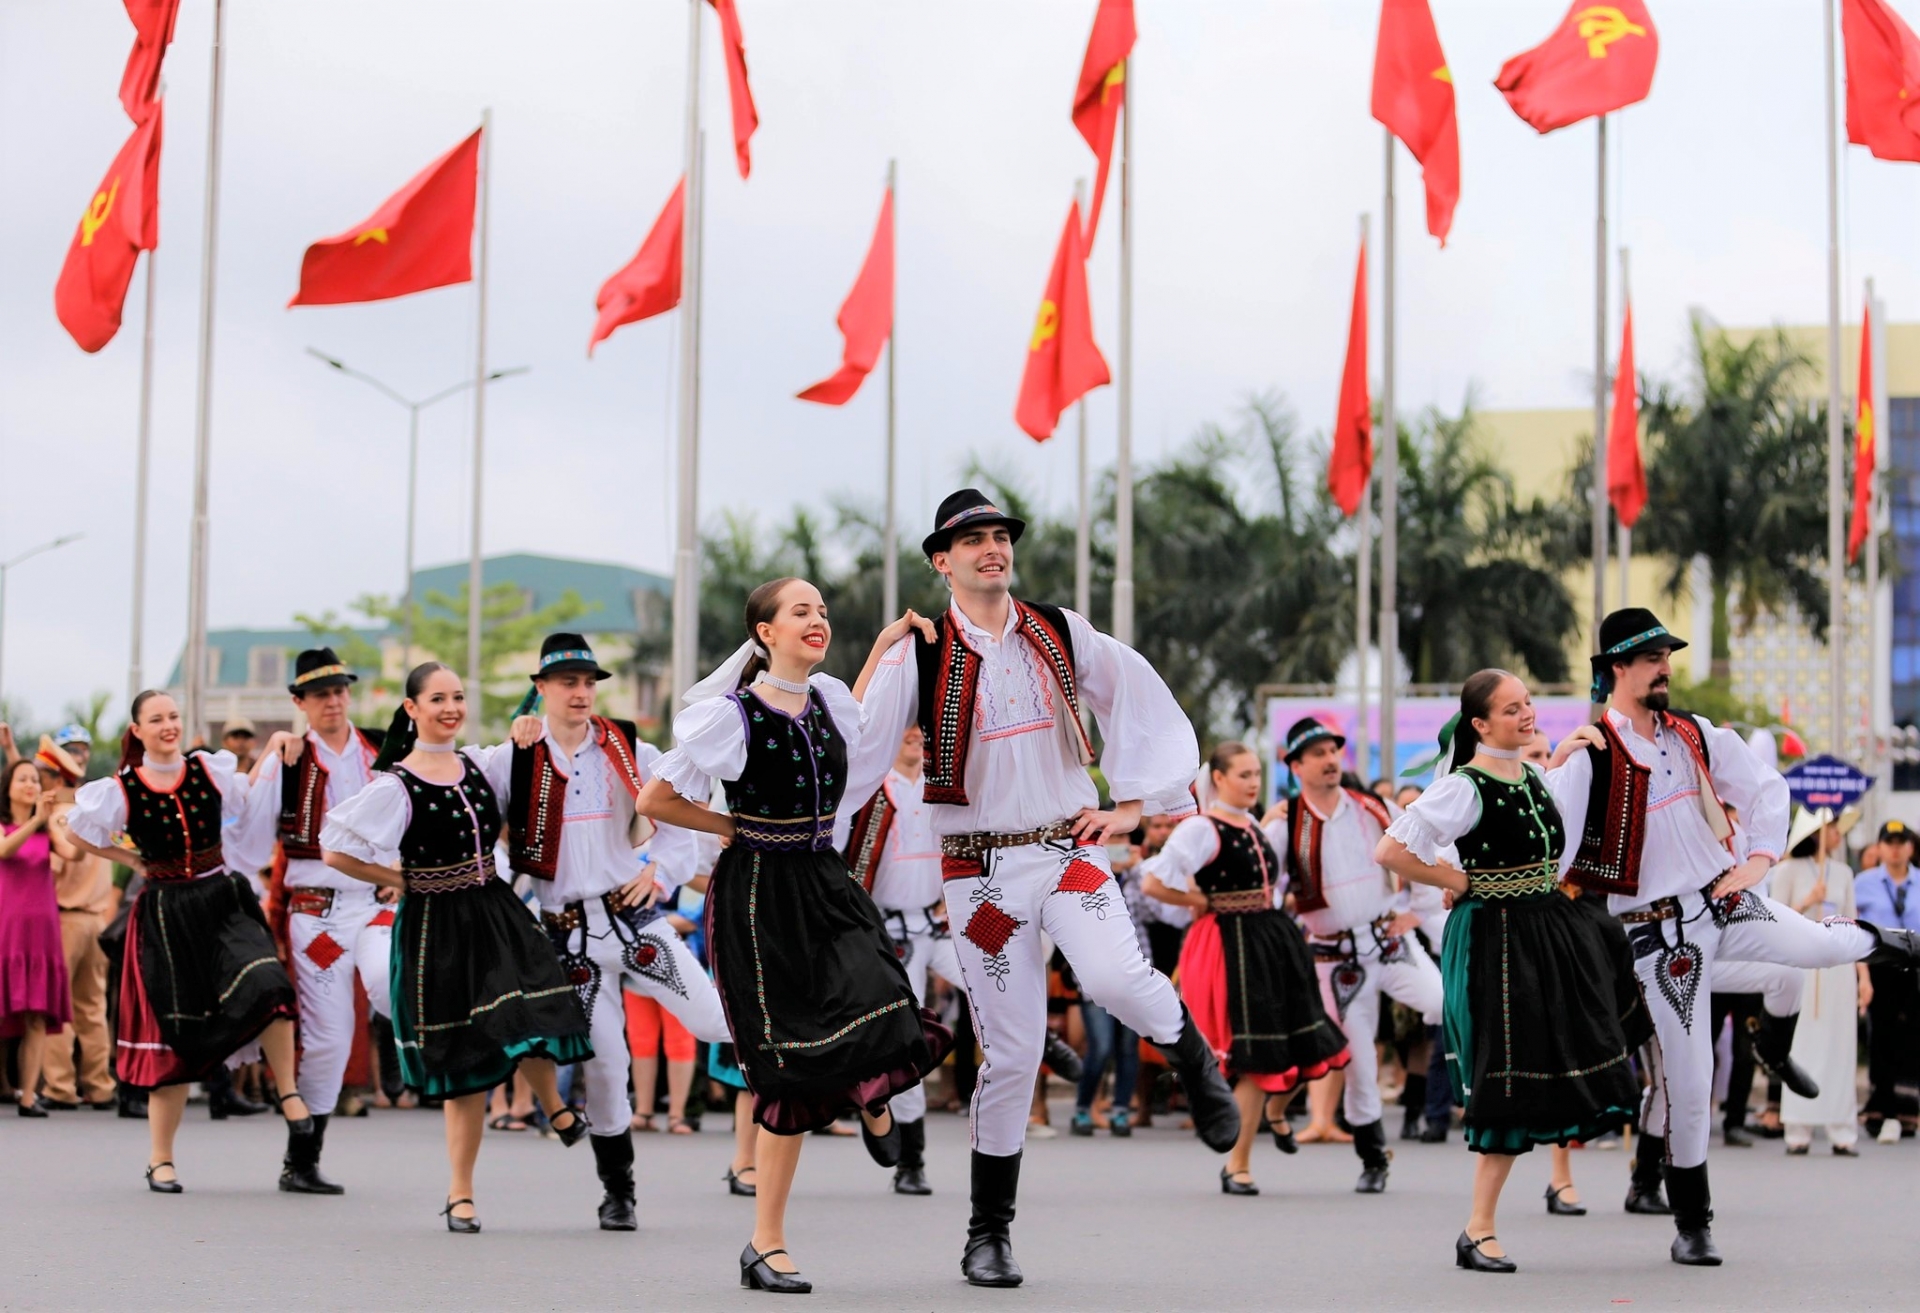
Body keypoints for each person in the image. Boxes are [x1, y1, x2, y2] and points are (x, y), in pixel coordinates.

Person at [854, 489, 1237, 1289]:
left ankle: (1192, 1059)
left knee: (1112, 975)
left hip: (1067, 848)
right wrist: (877, 651)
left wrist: (1133, 803)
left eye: (999, 535)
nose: (991, 548)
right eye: (972, 539)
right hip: (978, 872)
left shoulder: (1059, 630)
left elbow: (1140, 698)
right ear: (941, 560)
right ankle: (987, 1233)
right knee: (1015, 1049)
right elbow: (855, 750)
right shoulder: (916, 655)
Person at [1546, 607, 1920, 1266]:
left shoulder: (1694, 733)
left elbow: (1767, 788)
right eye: (1651, 656)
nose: (1664, 666)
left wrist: (1757, 860)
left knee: (1811, 952)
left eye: (1667, 654)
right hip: (1658, 937)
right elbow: (1553, 851)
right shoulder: (1589, 758)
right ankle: (1691, 1221)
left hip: (1724, 899)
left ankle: (1791, 1032)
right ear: (1616, 669)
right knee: (1691, 1082)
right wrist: (1552, 767)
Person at [636, 579, 950, 1294]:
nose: (818, 619)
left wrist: (881, 645)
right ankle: (765, 1243)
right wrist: (729, 828)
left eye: (823, 611)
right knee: (788, 1067)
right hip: (758, 895)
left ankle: (871, 1098)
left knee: (887, 996)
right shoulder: (731, 717)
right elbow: (654, 798)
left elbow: (863, 725)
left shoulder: (831, 697)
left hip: (823, 877)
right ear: (764, 632)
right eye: (801, 611)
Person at [1378, 670, 1651, 1274]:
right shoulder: (1464, 786)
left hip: (1543, 928)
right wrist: (1457, 881)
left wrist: (1559, 756)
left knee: (1579, 1042)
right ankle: (1478, 1229)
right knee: (1506, 1074)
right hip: (1494, 941)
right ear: (1479, 724)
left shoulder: (1529, 774)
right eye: (1511, 709)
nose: (1526, 714)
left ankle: (1615, 1168)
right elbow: (1392, 850)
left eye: (1527, 704)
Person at [318, 662, 594, 1233]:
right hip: (435, 924)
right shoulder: (396, 784)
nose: (451, 707)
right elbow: (332, 848)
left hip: (493, 909)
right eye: (437, 698)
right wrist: (395, 879)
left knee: (531, 1008)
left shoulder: (478, 763)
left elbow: (536, 752)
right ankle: (461, 1193)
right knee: (465, 1059)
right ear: (412, 709)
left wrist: (528, 727)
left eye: (458, 697)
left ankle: (554, 1104)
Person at [480, 632, 731, 1231]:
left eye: (589, 681)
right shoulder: (508, 758)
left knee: (714, 1018)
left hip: (633, 920)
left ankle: (822, 1080)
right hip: (567, 937)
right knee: (605, 1065)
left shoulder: (629, 748)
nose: (581, 692)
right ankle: (619, 1191)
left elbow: (677, 819)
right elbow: (468, 814)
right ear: (540, 689)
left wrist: (658, 871)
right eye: (568, 682)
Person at [64, 690, 307, 1193]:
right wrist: (129, 860)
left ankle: (287, 1093)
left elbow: (248, 794)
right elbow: (74, 831)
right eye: (157, 719)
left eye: (173, 716)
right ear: (138, 730)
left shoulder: (209, 769)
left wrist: (275, 744)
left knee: (269, 982)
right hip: (167, 911)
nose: (168, 725)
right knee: (171, 1035)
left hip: (221, 896)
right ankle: (161, 1158)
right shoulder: (120, 788)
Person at [1142, 741, 1350, 1195]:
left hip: (1272, 939)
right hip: (1231, 944)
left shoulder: (1254, 823)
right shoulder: (1202, 829)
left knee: (1315, 1039)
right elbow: (1154, 882)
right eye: (1243, 775)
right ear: (1218, 779)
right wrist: (1200, 900)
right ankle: (1237, 1164)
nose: (1253, 782)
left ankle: (1274, 1115)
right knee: (1256, 1055)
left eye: (1256, 774)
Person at [227, 648, 392, 1194]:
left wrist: (401, 868)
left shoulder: (378, 751)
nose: (334, 701)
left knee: (390, 988)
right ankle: (302, 1157)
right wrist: (267, 762)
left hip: (372, 908)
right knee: (329, 1038)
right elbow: (248, 843)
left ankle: (444, 1079)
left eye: (340, 690)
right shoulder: (287, 759)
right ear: (298, 703)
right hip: (317, 916)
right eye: (321, 694)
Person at [1262, 716, 1443, 1193]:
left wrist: (1418, 913)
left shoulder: (1373, 807)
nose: (1329, 760)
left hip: (1389, 940)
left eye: (1333, 751)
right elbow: (1263, 884)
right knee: (1359, 1062)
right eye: (1317, 754)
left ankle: (1473, 1093)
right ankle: (1372, 1159)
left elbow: (1421, 847)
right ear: (1295, 765)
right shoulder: (1286, 824)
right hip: (1334, 959)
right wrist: (1263, 826)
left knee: (1442, 1001)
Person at [839, 723, 964, 1195]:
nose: (916, 735)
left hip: (938, 925)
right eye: (907, 726)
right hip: (888, 934)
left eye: (922, 727)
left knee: (996, 982)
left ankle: (1043, 1045)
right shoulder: (868, 789)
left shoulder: (944, 786)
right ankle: (911, 1160)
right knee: (905, 1038)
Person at [1772, 809, 1868, 1155]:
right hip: (1802, 965)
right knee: (1800, 1043)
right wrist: (1807, 901)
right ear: (1814, 832)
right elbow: (1773, 917)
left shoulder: (1843, 873)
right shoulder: (1788, 870)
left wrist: (1863, 975)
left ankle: (1842, 1130)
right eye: (1830, 827)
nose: (1837, 834)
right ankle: (1797, 1130)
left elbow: (1854, 924)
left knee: (1840, 1045)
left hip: (1838, 969)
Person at [35, 732, 120, 1112]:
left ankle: (61, 1086)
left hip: (66, 920)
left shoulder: (57, 816)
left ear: (55, 778)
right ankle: (100, 1085)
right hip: (97, 919)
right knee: (92, 1008)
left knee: (59, 1008)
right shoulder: (96, 815)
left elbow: (64, 857)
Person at [1, 757, 74, 1115]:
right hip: (6, 928)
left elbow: (72, 853)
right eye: (22, 779)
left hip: (41, 931)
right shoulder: (7, 825)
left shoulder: (47, 829)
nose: (30, 784)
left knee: (36, 1015)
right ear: (8, 787)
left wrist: (74, 822)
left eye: (34, 779)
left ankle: (28, 1096)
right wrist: (36, 820)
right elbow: (3, 850)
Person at [1855, 819, 1920, 1142]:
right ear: (1879, 847)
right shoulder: (1863, 883)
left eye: (1901, 841)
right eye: (1889, 842)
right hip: (1879, 963)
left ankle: (1907, 1108)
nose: (1895, 848)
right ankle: (1881, 1107)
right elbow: (1852, 929)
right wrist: (1863, 977)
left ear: (1910, 846)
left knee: (1911, 1036)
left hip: (1914, 964)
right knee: (1880, 1035)